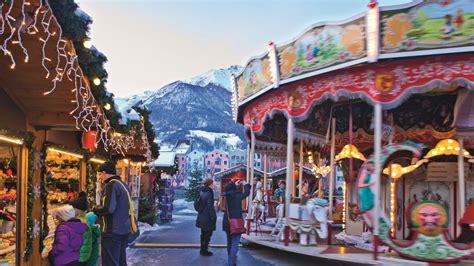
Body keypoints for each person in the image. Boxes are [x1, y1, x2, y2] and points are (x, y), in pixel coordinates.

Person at [92, 161, 132, 266]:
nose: (100, 177)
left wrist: (95, 209)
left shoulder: (111, 185)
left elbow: (108, 208)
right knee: (121, 261)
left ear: (105, 172)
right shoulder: (123, 185)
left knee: (110, 262)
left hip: (112, 231)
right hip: (124, 229)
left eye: (100, 174)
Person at [223, 179, 251, 266]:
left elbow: (230, 188)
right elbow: (247, 193)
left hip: (227, 221)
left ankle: (230, 259)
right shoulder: (237, 194)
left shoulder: (225, 195)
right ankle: (231, 262)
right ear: (234, 187)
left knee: (229, 242)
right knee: (235, 243)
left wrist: (233, 184)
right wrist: (246, 184)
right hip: (236, 222)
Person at [195, 178, 217, 256]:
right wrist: (214, 217)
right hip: (207, 217)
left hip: (201, 215)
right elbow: (210, 206)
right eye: (213, 183)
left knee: (203, 234)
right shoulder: (209, 192)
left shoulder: (202, 191)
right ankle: (204, 251)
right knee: (207, 234)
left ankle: (203, 250)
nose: (214, 185)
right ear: (210, 184)